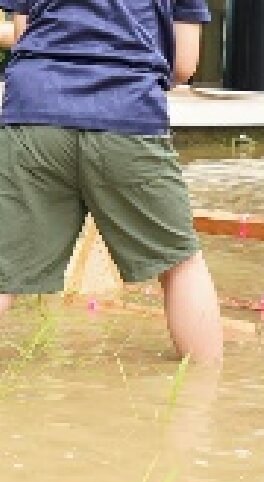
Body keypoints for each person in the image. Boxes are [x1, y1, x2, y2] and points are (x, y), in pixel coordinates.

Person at [0, 0, 223, 367]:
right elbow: (184, 65)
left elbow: (25, 35)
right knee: (180, 263)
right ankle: (204, 400)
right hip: (127, 115)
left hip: (34, 114)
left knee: (5, 267)